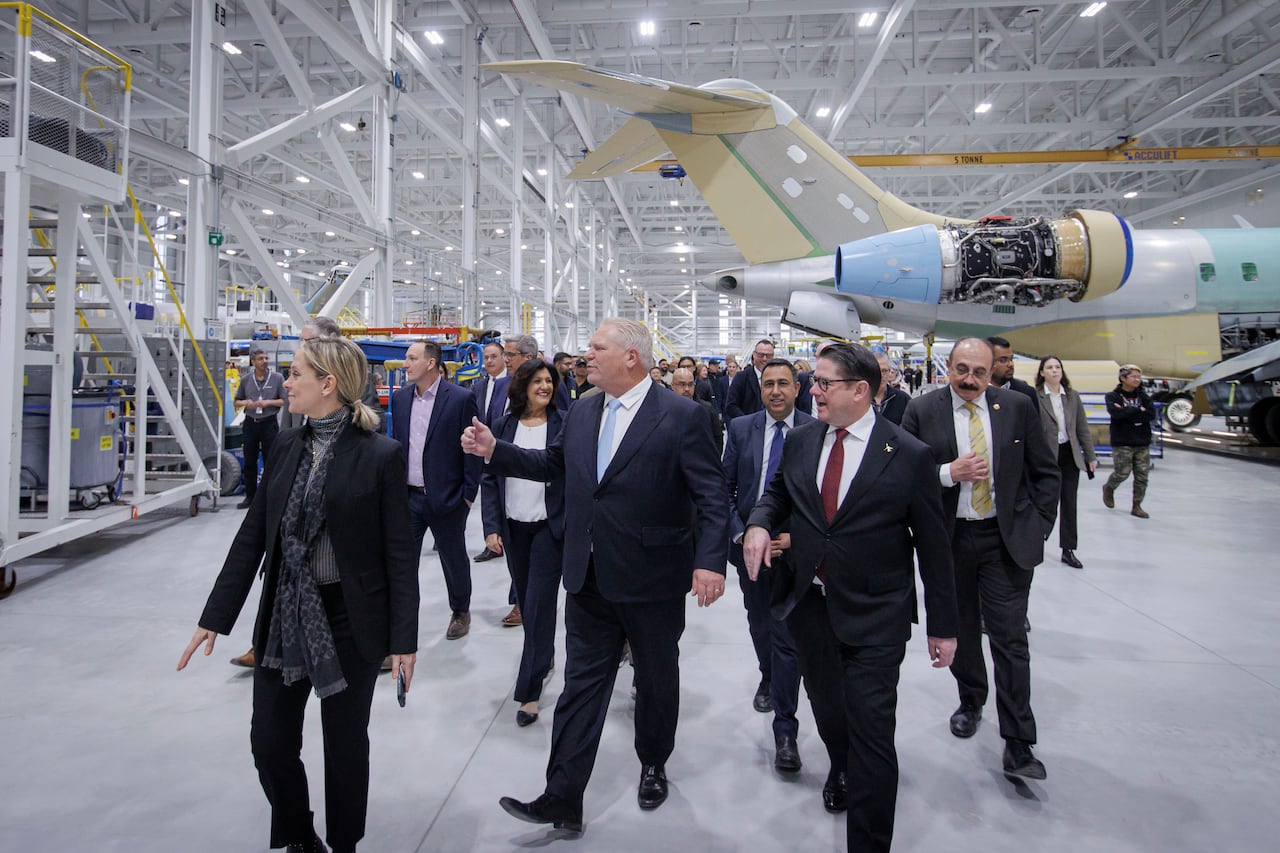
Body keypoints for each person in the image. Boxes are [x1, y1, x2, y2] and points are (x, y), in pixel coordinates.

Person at [462, 318, 729, 835]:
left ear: (631, 357)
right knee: (582, 686)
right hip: (587, 574)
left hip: (652, 578)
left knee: (654, 679)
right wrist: (497, 452)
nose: (586, 356)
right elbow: (555, 464)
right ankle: (562, 796)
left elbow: (711, 496)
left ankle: (653, 761)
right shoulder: (584, 410)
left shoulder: (682, 416)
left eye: (596, 348)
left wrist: (710, 561)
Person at [178, 337, 418, 853]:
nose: (286, 382)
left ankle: (345, 843)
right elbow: (253, 536)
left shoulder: (380, 456)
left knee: (345, 745)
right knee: (269, 743)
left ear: (327, 383)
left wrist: (404, 639)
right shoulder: (287, 446)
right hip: (286, 615)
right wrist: (215, 616)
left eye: (296, 373)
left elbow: (400, 554)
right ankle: (301, 835)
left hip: (350, 620)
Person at [743, 343, 957, 853]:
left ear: (859, 390)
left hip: (875, 616)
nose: (811, 390)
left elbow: (933, 547)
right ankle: (839, 766)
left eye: (822, 382)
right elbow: (778, 493)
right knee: (831, 713)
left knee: (873, 734)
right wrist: (757, 523)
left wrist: (944, 626)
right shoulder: (803, 440)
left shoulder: (907, 454)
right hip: (811, 608)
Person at [901, 337, 1059, 782]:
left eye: (980, 372)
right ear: (946, 367)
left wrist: (1037, 524)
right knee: (963, 631)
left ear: (994, 373)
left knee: (1011, 639)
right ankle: (971, 699)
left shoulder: (1016, 408)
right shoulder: (922, 411)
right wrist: (947, 474)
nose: (970, 380)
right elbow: (901, 476)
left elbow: (1044, 472)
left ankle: (1019, 742)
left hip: (1003, 541)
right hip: (950, 542)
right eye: (962, 370)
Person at [722, 358, 813, 774]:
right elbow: (724, 489)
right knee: (759, 623)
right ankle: (767, 675)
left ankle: (785, 728)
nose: (776, 391)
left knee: (787, 635)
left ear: (798, 388)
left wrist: (795, 538)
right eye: (768, 384)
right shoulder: (742, 430)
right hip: (749, 549)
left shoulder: (816, 431)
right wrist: (742, 534)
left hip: (795, 550)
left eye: (783, 383)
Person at [480, 359, 566, 728]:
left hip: (549, 529)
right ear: (523, 386)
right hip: (515, 529)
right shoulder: (505, 425)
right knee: (528, 602)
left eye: (549, 381)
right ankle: (542, 655)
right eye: (538, 381)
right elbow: (490, 476)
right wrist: (492, 525)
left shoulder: (563, 424)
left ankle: (529, 690)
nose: (545, 386)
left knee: (539, 605)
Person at [391, 340, 481, 640]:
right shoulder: (401, 399)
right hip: (409, 497)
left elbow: (472, 450)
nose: (405, 364)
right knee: (403, 563)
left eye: (411, 358)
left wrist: (467, 496)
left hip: (447, 498)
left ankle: (460, 610)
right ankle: (403, 620)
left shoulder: (459, 398)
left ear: (430, 363)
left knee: (453, 558)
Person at [1035, 355, 1097, 567]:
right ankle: (1037, 538)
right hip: (1047, 456)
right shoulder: (1036, 397)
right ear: (1042, 372)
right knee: (1046, 502)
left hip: (1069, 455)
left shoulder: (1071, 396)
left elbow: (1082, 429)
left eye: (1058, 367)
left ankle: (1068, 549)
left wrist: (1090, 456)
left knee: (1069, 504)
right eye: (1049, 367)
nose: (1054, 371)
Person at [471, 341, 509, 565]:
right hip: (483, 453)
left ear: (504, 357)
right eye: (486, 357)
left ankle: (505, 539)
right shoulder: (479, 387)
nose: (489, 361)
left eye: (494, 356)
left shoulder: (513, 384)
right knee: (488, 495)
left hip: (505, 451)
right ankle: (491, 541)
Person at [235, 345, 286, 509]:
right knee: (250, 461)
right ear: (253, 362)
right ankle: (250, 497)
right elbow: (237, 401)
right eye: (260, 359)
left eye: (266, 358)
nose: (265, 361)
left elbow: (284, 401)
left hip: (269, 423)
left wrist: (268, 402)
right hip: (251, 423)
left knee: (270, 460)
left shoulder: (277, 378)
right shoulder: (246, 380)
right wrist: (246, 403)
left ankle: (269, 497)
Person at [1103, 363, 1157, 519]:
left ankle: (1137, 505)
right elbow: (1116, 414)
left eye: (1138, 377)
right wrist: (1136, 410)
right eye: (1133, 376)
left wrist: (1127, 412)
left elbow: (1150, 414)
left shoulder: (1144, 396)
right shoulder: (1112, 396)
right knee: (1122, 472)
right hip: (1122, 441)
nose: (1137, 380)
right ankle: (1109, 487)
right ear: (1123, 378)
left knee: (1142, 476)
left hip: (1142, 441)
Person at [671, 366, 723, 455]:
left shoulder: (707, 409)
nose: (687, 389)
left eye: (690, 384)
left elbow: (717, 438)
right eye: (682, 384)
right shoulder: (664, 409)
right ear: (672, 385)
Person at [726, 339, 775, 419]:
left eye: (768, 356)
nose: (764, 359)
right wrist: (748, 422)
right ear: (754, 355)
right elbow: (731, 406)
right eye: (761, 355)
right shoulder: (741, 377)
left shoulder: (778, 377)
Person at [987, 336, 1039, 408]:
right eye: (1003, 360)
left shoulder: (1026, 392)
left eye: (1011, 359)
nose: (1010, 364)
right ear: (987, 362)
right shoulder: (975, 391)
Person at [873, 352, 909, 424]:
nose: (880, 375)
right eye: (876, 370)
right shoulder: (858, 400)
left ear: (889, 372)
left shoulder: (903, 399)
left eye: (884, 371)